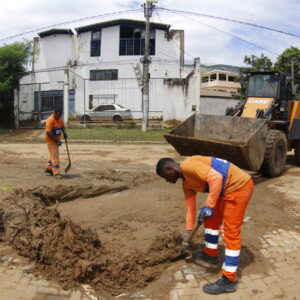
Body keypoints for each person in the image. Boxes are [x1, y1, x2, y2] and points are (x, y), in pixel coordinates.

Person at [156, 156, 254, 295]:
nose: (167, 181)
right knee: (211, 220)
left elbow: (216, 178)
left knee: (231, 232)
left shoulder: (188, 165)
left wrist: (209, 206)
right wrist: (188, 231)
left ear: (170, 170)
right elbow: (190, 209)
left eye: (165, 177)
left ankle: (228, 280)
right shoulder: (186, 183)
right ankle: (210, 254)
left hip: (239, 186)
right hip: (224, 189)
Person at [45, 110, 68, 179]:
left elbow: (62, 126)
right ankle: (56, 173)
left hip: (56, 139)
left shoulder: (60, 118)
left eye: (60, 115)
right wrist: (56, 141)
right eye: (58, 115)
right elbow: (48, 133)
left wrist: (64, 133)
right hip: (51, 141)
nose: (59, 117)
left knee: (52, 154)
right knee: (55, 156)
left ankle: (49, 169)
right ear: (54, 113)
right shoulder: (50, 120)